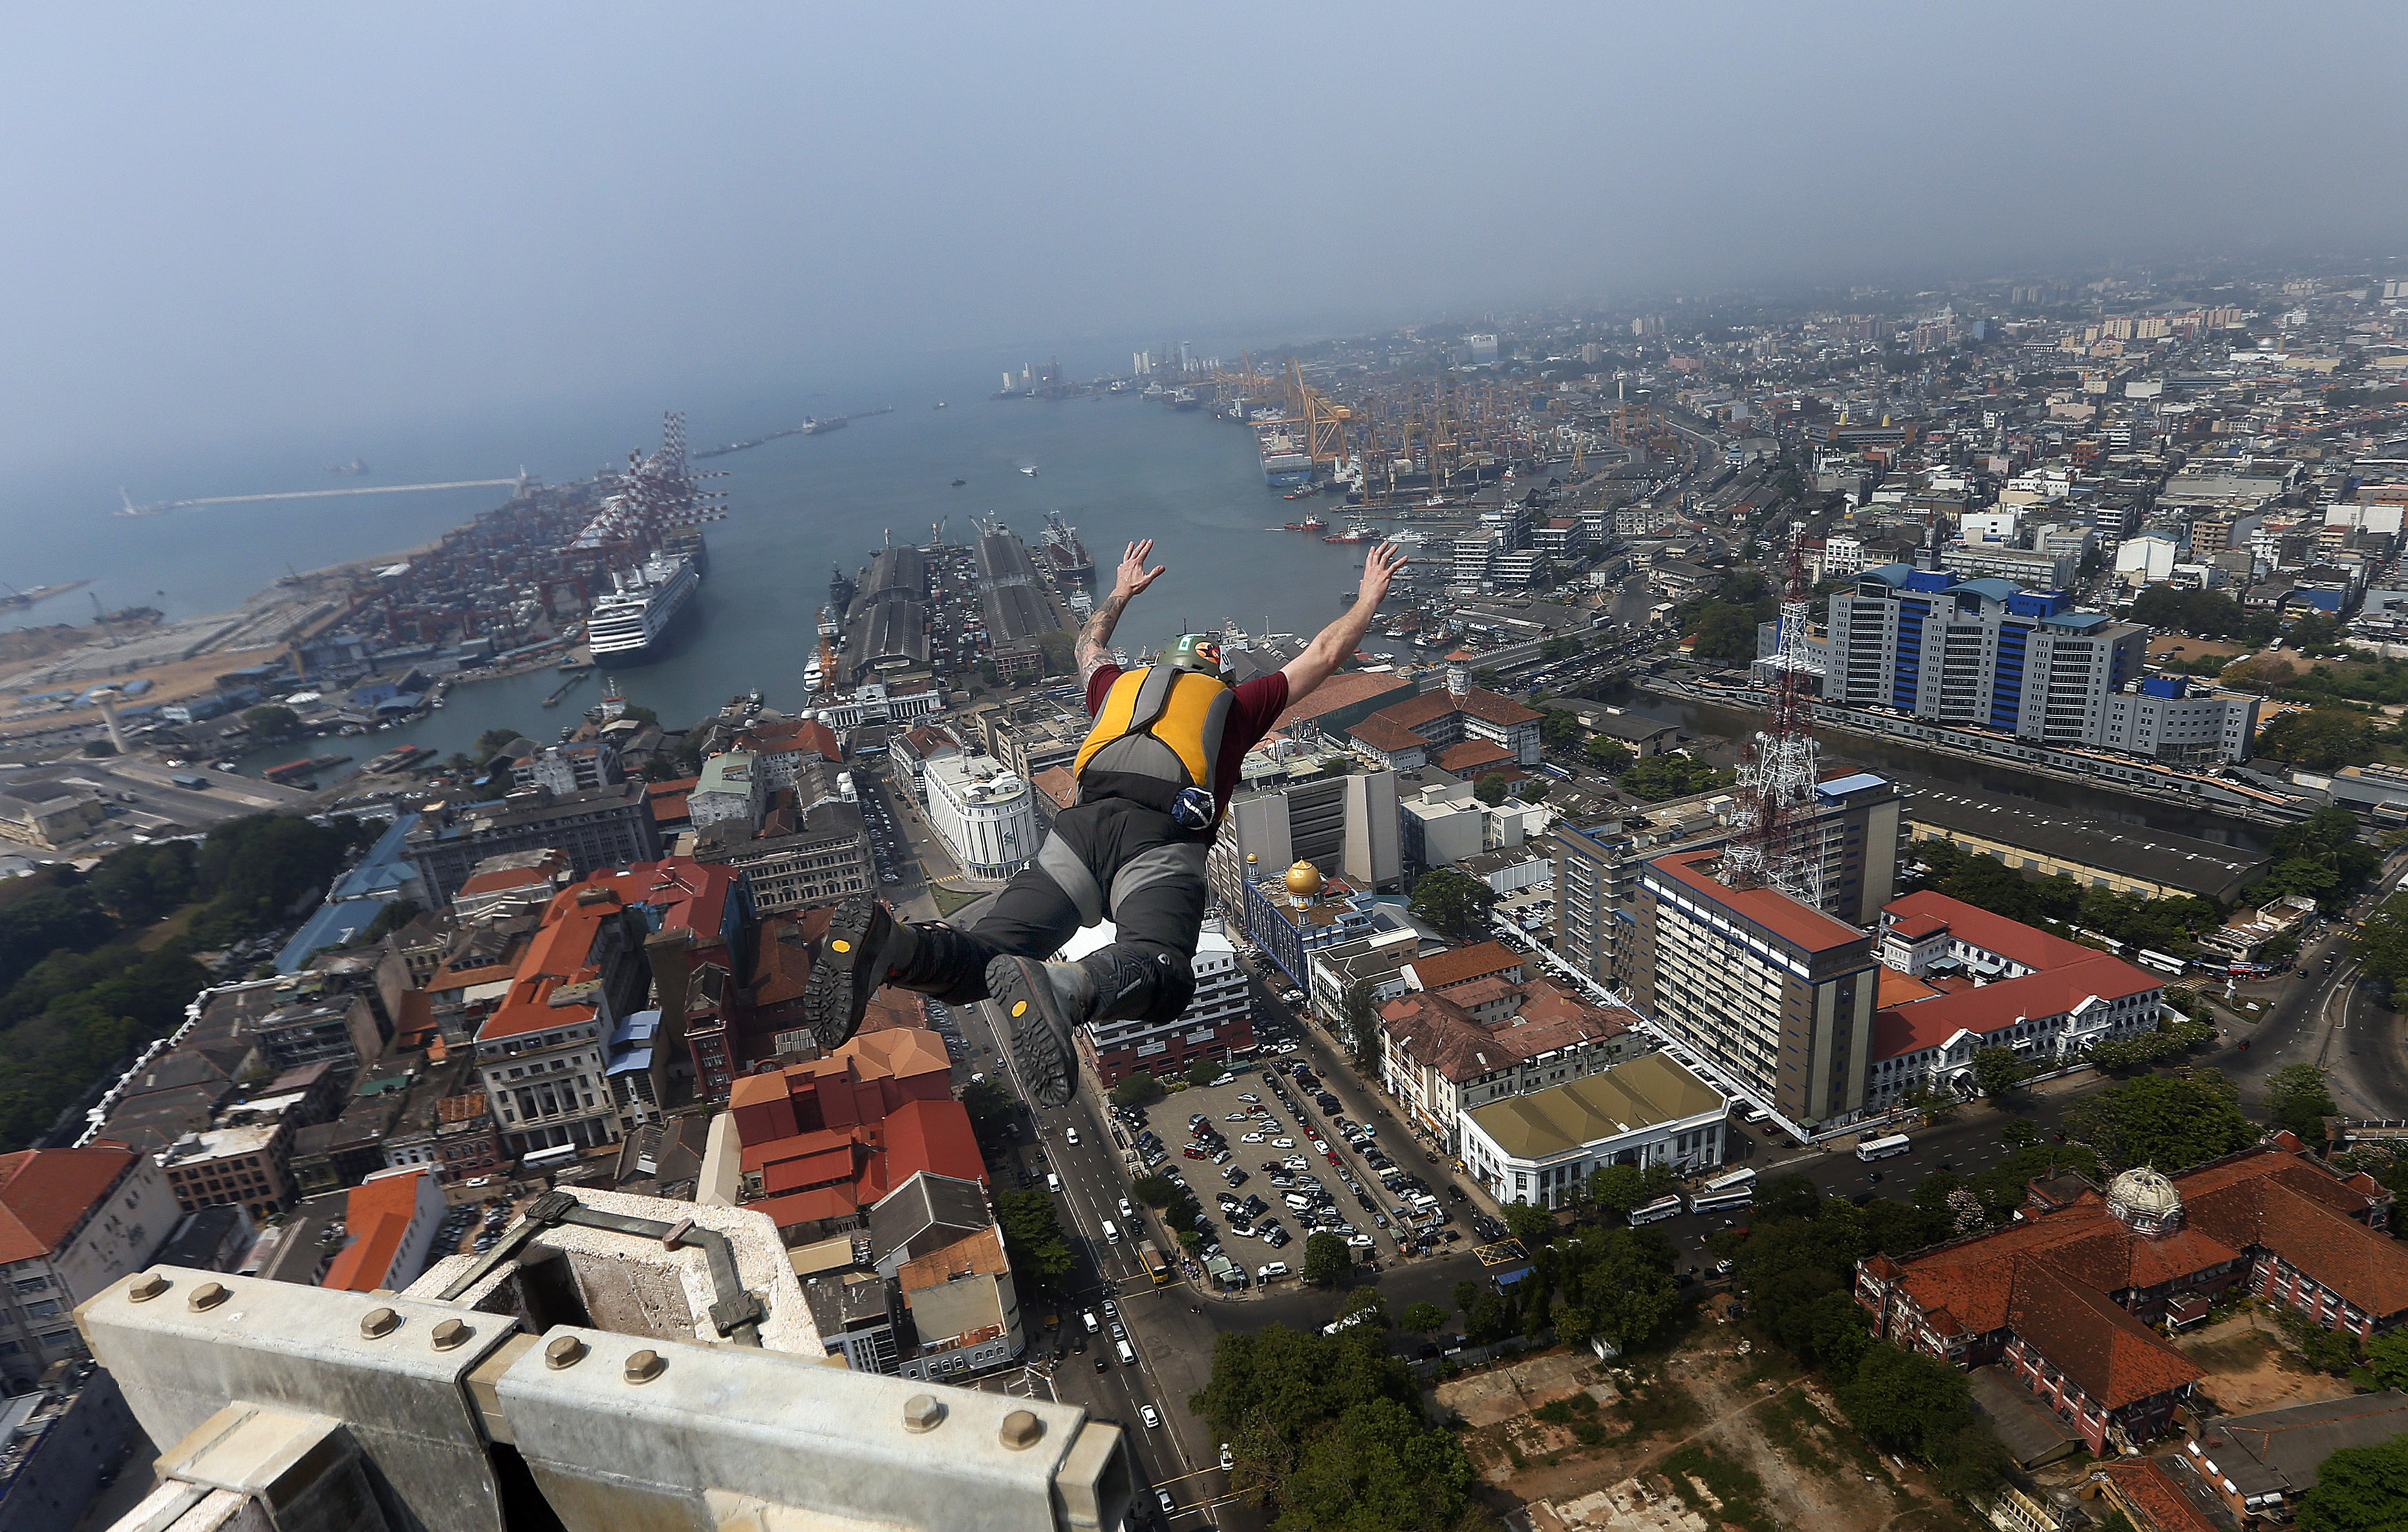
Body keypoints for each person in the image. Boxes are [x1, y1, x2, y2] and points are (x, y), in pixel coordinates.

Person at [805, 536, 1408, 1105]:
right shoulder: (1234, 705)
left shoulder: (1118, 689)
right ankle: (1063, 990)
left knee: (988, 955)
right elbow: (1326, 654)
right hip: (1158, 843)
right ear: (1216, 679)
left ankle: (896, 946)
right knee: (1164, 970)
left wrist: (1120, 592)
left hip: (1078, 831)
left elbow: (1086, 646)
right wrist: (1366, 600)